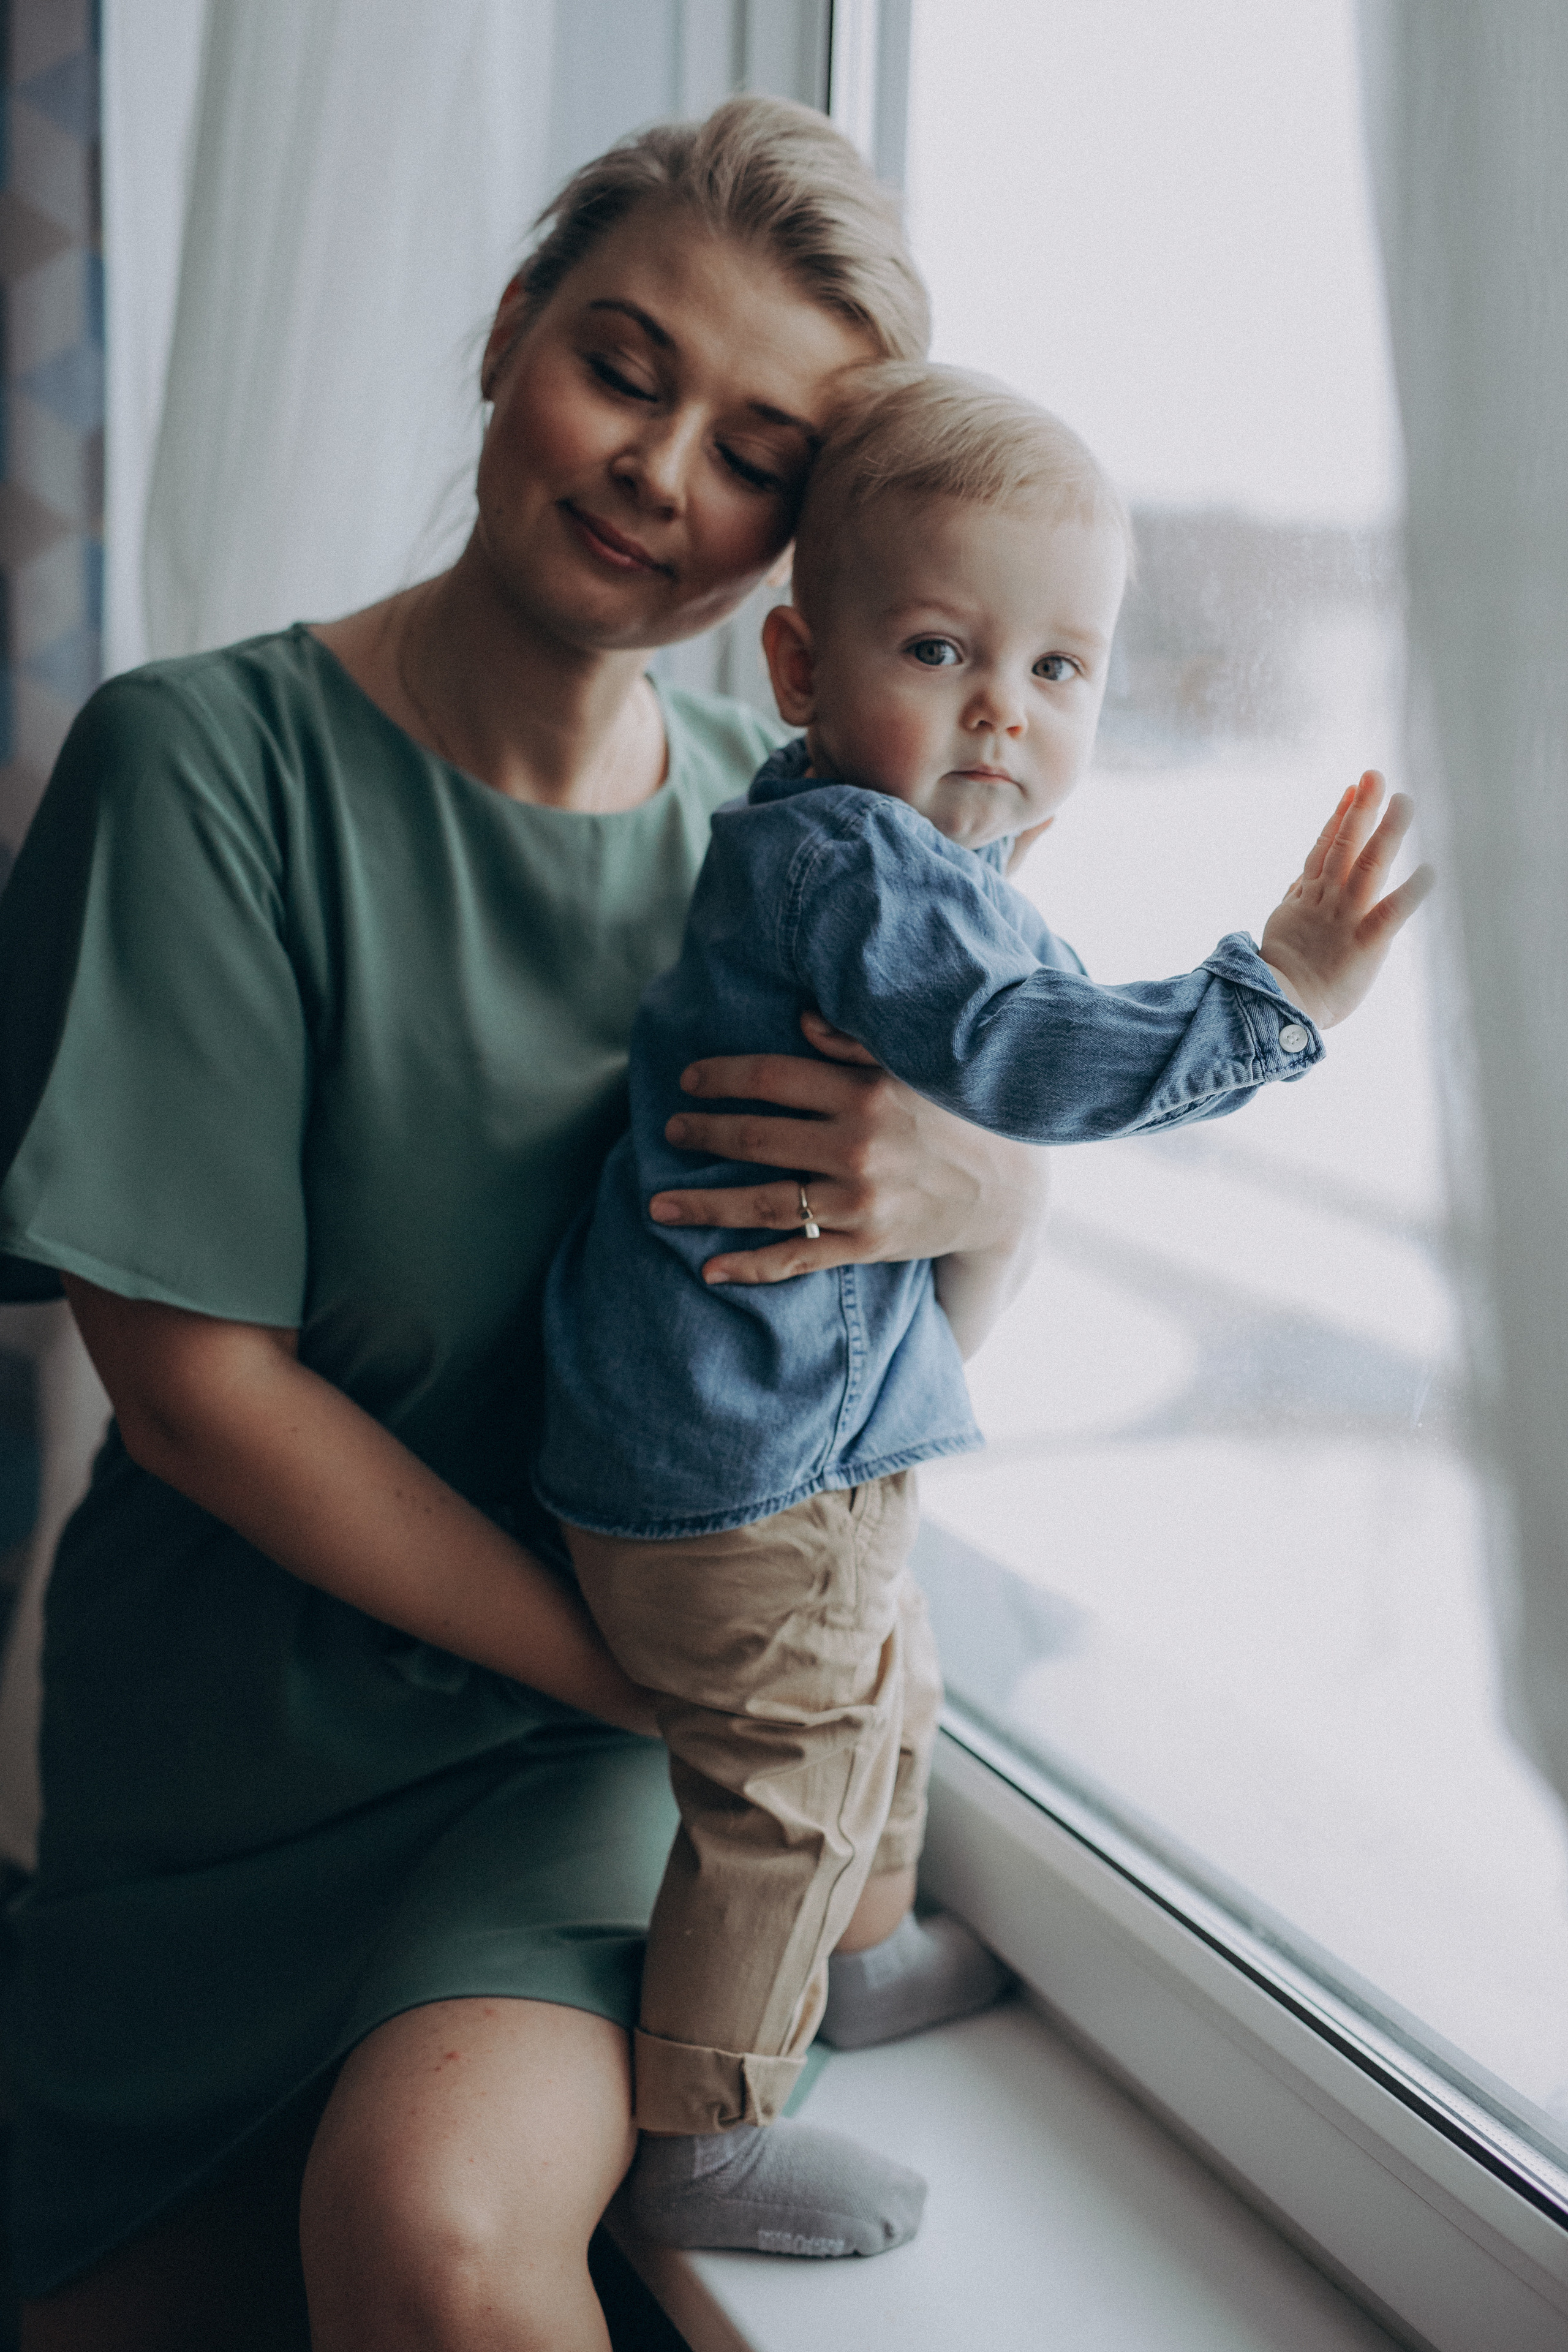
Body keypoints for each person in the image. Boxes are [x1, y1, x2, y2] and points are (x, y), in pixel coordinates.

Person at [0, 101, 1052, 2352]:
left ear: (808, 539)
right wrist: (684, 1692)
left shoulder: (792, 858)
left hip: (583, 1765)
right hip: (239, 1743)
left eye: (759, 447)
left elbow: (872, 1348)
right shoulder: (200, 767)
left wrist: (994, 1179)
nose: (664, 470)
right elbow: (191, 1396)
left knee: (446, 2247)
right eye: (625, 364)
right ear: (507, 338)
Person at [537, 364, 1434, 2256]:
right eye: (942, 649)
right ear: (797, 668)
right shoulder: (854, 863)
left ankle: (848, 1966)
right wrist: (1279, 993)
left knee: (891, 1689)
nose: (1004, 717)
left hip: (763, 1442)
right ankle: (701, 2127)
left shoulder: (878, 842)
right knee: (786, 1785)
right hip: (730, 1472)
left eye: (1060, 673)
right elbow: (1023, 1051)